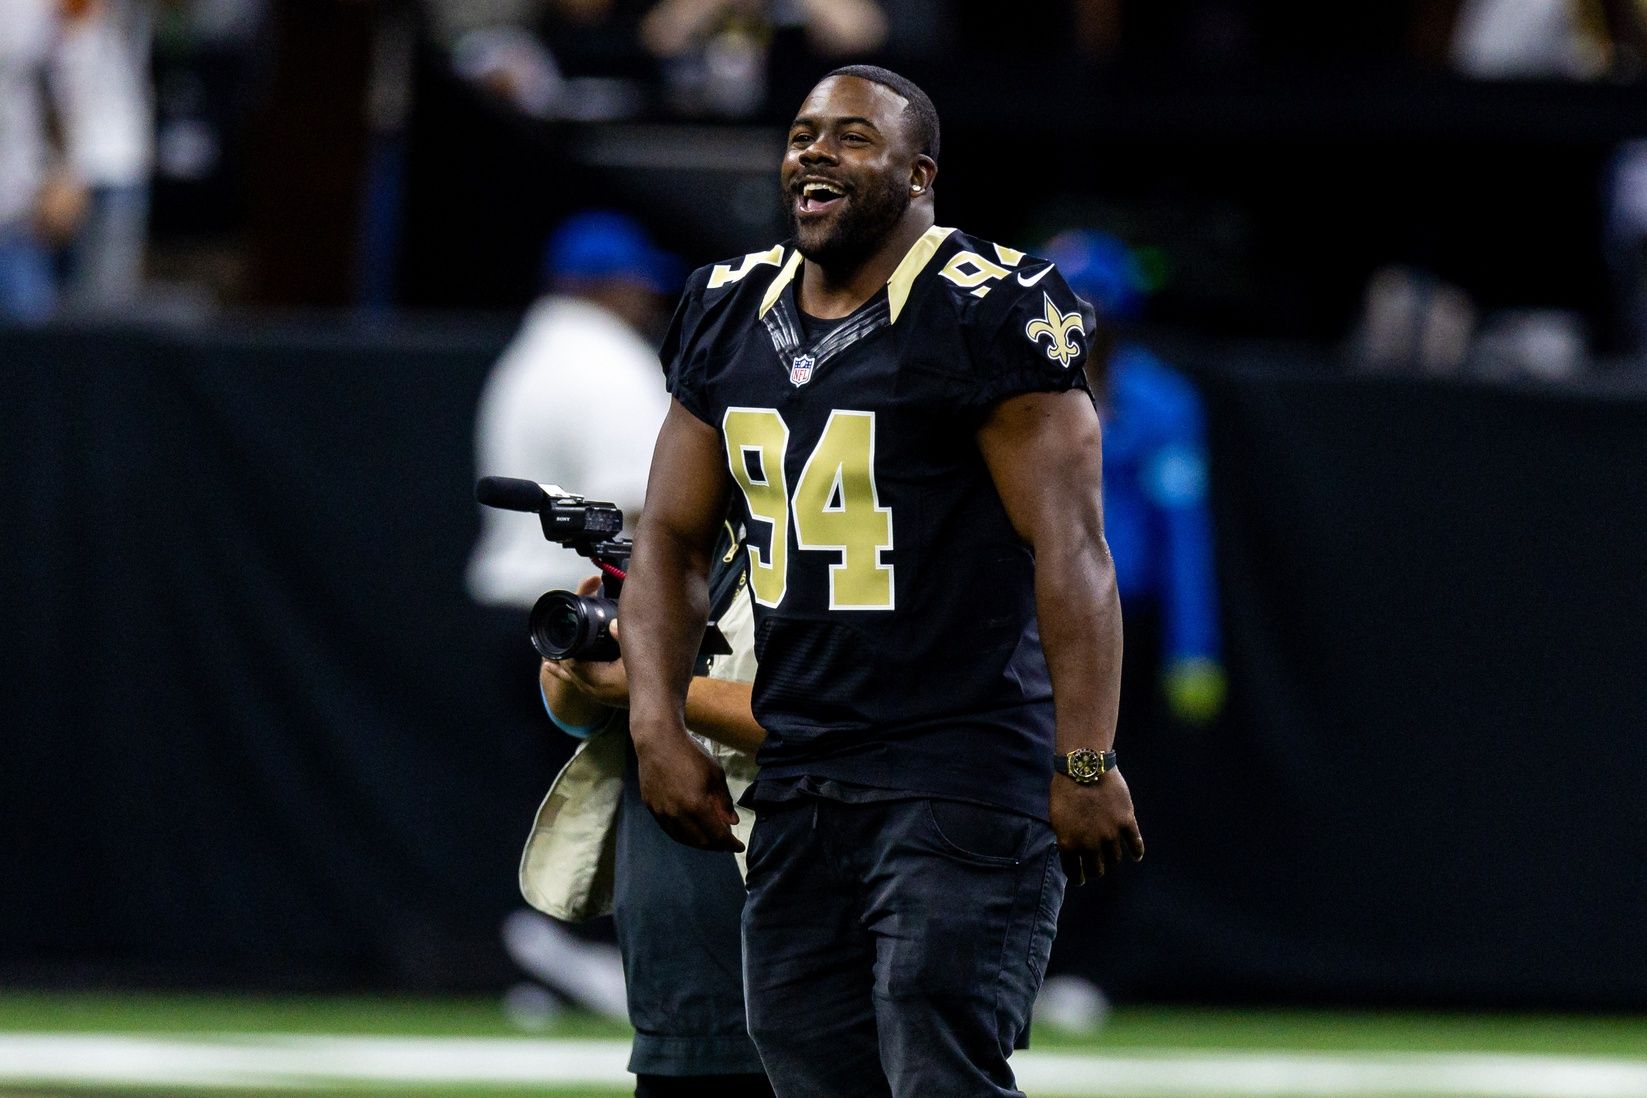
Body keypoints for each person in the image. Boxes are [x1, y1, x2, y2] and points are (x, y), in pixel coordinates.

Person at [620, 65, 1144, 1096]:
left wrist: (1085, 761)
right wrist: (655, 724)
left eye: (852, 137)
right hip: (802, 768)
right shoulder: (727, 308)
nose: (815, 151)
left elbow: (1073, 552)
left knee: (936, 1064)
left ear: (919, 175)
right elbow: (672, 538)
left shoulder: (992, 308)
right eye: (804, 133)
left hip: (955, 767)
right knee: (808, 1069)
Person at [523, 529, 773, 1097]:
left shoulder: (815, 539)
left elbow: (826, 716)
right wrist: (580, 668)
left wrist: (648, 686)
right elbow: (577, 715)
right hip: (675, 972)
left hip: (798, 954)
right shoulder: (683, 540)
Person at [466, 210, 676, 792]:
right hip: (581, 627)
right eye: (639, 283)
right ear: (603, 285)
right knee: (602, 828)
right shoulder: (608, 363)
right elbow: (646, 507)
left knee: (548, 824)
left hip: (520, 618)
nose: (650, 299)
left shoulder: (529, 355)